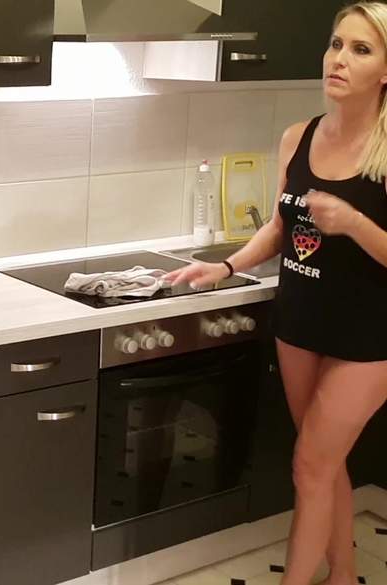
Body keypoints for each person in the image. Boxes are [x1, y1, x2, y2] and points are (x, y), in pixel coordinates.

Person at [167, 3, 387, 584]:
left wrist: (353, 223)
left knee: (310, 465)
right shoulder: (299, 137)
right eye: (336, 44)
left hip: (370, 336)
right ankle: (343, 575)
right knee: (325, 463)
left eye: (361, 49)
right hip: (300, 320)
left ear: (386, 71)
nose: (339, 59)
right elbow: (278, 227)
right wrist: (226, 266)